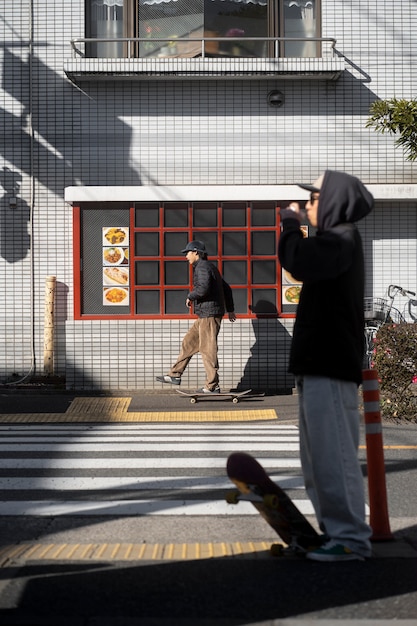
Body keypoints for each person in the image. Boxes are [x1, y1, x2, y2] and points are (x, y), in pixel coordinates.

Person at [278, 170, 373, 561]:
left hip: (331, 366)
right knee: (319, 459)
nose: (308, 206)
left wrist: (289, 224)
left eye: (314, 199)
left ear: (332, 202)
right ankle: (335, 532)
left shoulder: (341, 238)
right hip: (320, 364)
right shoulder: (334, 241)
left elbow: (297, 261)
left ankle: (350, 537)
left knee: (334, 456)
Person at [156, 240, 236, 393]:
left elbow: (203, 288)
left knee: (207, 350)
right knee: (189, 342)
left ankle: (212, 385)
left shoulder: (203, 268)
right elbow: (227, 288)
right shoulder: (210, 267)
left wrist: (190, 296)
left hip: (209, 315)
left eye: (188, 253)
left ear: (196, 252)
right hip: (205, 314)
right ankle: (175, 375)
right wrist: (230, 309)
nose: (186, 256)